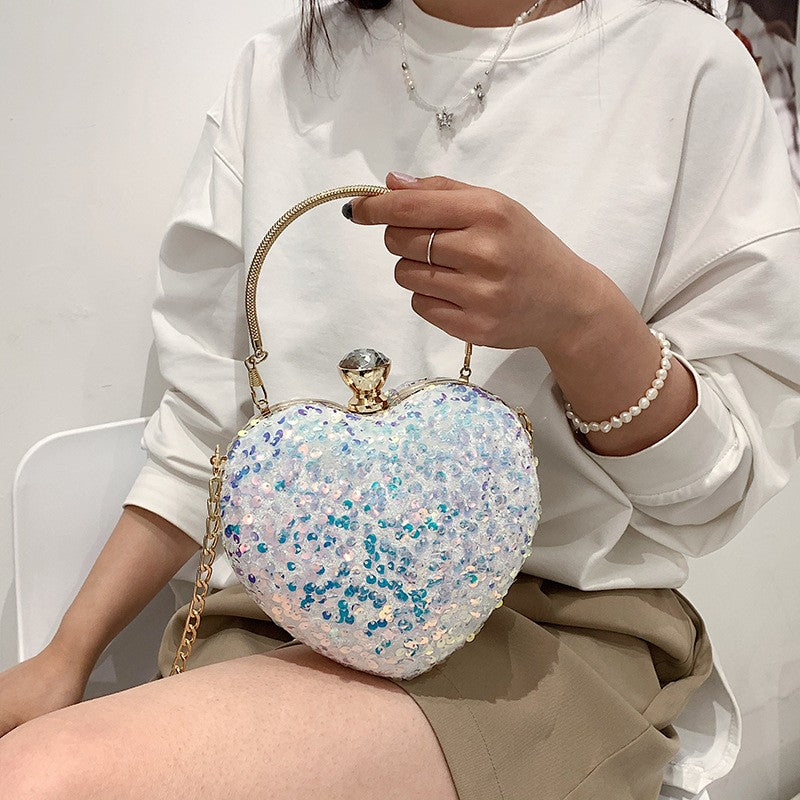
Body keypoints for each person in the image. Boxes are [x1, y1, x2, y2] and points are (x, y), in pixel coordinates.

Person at [1, 0, 799, 797]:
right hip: (284, 620)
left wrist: (581, 320)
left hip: (562, 633)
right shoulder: (280, 73)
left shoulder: (682, 67)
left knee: (50, 779)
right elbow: (207, 431)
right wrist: (66, 655)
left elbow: (716, 489)